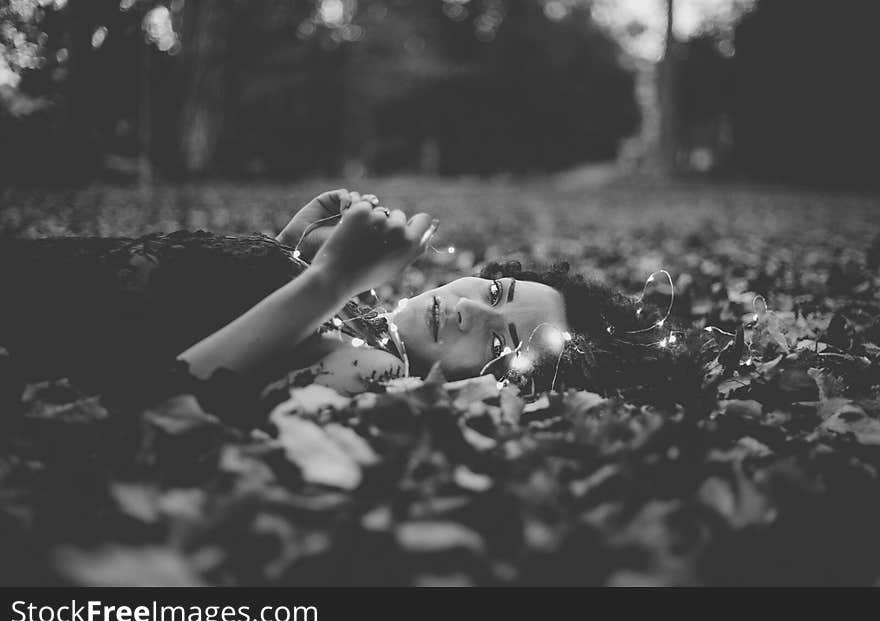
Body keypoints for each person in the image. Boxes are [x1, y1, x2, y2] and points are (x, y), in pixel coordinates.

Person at [0, 189, 680, 425]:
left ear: (502, 390)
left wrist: (326, 278)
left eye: (502, 343)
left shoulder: (376, 377)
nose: (473, 311)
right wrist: (288, 249)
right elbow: (192, 309)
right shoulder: (366, 324)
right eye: (495, 292)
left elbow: (160, 400)